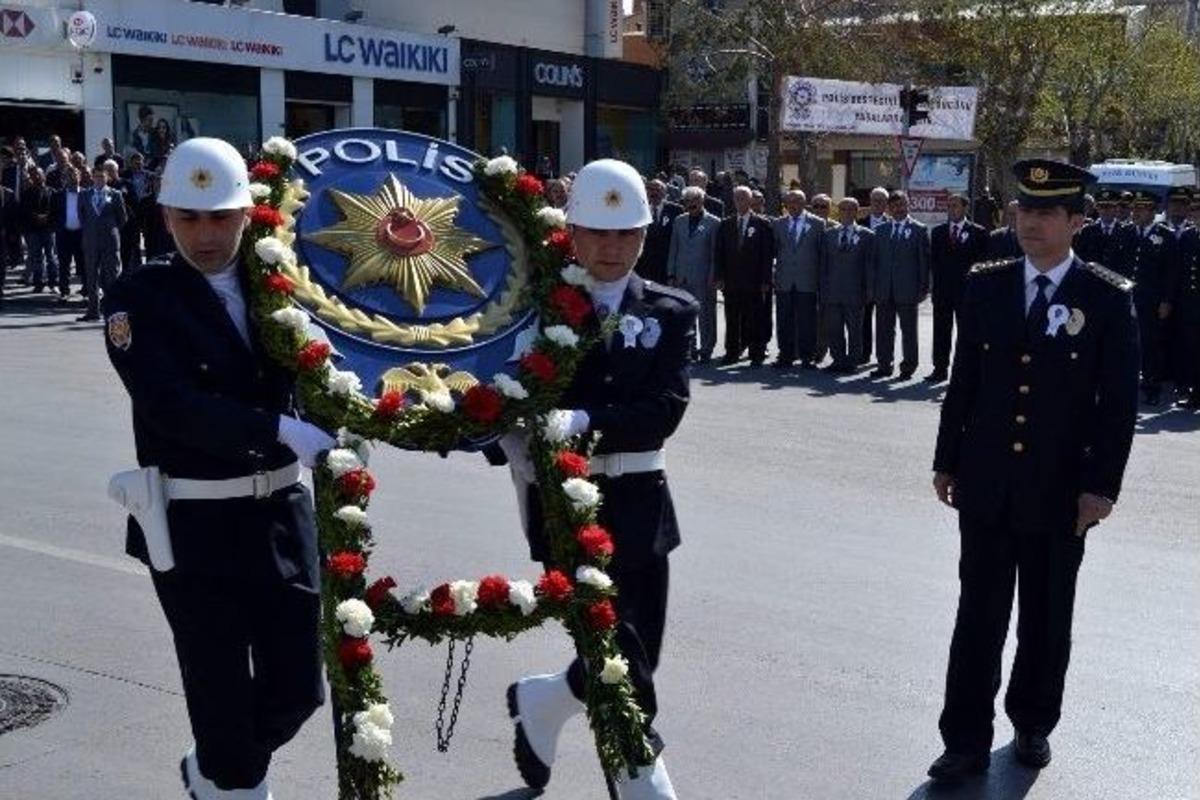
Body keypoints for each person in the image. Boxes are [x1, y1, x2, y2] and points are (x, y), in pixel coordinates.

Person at [103, 137, 334, 800]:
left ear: (246, 215)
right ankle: (229, 777)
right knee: (222, 695)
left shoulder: (284, 281)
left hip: (282, 516)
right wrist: (277, 429)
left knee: (298, 691)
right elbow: (172, 405)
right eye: (189, 218)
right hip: (196, 523)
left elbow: (335, 359)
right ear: (166, 216)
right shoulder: (139, 297)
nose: (205, 234)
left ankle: (214, 768)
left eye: (220, 217)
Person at [928, 159, 1139, 785]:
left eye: (1048, 212)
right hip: (987, 481)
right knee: (978, 616)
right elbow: (964, 378)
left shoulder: (1105, 296)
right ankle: (963, 738)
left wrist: (1101, 488)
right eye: (1025, 209)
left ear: (1076, 221)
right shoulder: (986, 284)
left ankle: (1033, 721)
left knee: (1047, 616)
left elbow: (1118, 405)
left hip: (1059, 491)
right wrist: (946, 460)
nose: (1032, 222)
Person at [498, 157, 694, 800]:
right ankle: (641, 777)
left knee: (640, 650)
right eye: (598, 234)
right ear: (572, 235)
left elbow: (663, 413)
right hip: (566, 507)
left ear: (645, 235)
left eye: (626, 235)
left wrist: (582, 417)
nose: (612, 249)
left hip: (643, 500)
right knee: (621, 663)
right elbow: (507, 396)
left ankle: (547, 701)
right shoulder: (536, 309)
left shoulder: (670, 311)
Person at [927, 194, 988, 383]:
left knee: (967, 333)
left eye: (956, 205)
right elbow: (934, 263)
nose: (952, 209)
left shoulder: (978, 232)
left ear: (965, 208)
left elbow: (983, 264)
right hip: (943, 292)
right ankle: (939, 369)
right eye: (949, 206)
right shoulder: (938, 232)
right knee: (941, 332)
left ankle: (964, 371)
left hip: (967, 293)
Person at [1126, 189, 1177, 405]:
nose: (1135, 212)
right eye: (1134, 207)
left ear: (1152, 210)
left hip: (1151, 300)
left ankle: (1151, 387)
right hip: (1125, 297)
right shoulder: (1126, 232)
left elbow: (1171, 272)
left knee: (1150, 344)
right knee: (1125, 343)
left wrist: (1166, 300)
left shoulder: (1165, 235)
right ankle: (1127, 384)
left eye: (1141, 208)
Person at [871, 190, 930, 379]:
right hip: (884, 289)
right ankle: (884, 365)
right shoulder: (880, 230)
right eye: (894, 205)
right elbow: (874, 262)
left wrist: (924, 287)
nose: (898, 208)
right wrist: (873, 287)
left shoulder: (919, 230)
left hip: (908, 289)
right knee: (883, 330)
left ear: (908, 205)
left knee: (909, 331)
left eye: (902, 204)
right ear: (889, 207)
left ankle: (908, 367)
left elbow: (924, 262)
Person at [715, 185, 774, 366]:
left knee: (753, 318)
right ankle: (732, 352)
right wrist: (719, 277)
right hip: (732, 281)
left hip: (754, 281)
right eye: (737, 198)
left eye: (743, 198)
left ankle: (756, 353)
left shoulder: (762, 224)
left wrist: (766, 280)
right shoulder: (725, 224)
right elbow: (719, 253)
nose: (740, 202)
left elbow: (767, 254)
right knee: (732, 318)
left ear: (750, 201)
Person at [771, 189, 825, 369]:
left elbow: (821, 254)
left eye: (797, 201)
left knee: (807, 320)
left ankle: (807, 356)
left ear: (804, 203)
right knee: (784, 319)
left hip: (807, 280)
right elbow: (775, 250)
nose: (793, 205)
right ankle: (785, 354)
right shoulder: (778, 224)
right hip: (784, 280)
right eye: (789, 202)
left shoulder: (818, 224)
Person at [666, 185, 720, 362]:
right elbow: (674, 248)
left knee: (705, 315)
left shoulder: (714, 222)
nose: (691, 204)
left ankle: (706, 349)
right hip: (682, 276)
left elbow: (714, 253)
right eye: (687, 201)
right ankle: (690, 348)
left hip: (704, 277)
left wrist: (713, 276)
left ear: (702, 200)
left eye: (694, 200)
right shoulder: (679, 221)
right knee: (686, 315)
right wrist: (671, 273)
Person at [820, 197, 874, 372]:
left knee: (855, 330)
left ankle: (853, 361)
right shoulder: (828, 235)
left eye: (851, 209)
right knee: (834, 329)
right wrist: (823, 287)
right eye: (843, 209)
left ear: (857, 212)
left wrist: (869, 290)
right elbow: (823, 264)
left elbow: (869, 266)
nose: (847, 213)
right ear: (838, 212)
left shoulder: (867, 235)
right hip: (833, 291)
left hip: (855, 291)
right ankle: (838, 360)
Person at [78, 164, 127, 322]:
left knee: (112, 275)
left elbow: (122, 218)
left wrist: (109, 229)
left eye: (102, 176)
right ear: (92, 177)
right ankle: (93, 310)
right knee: (92, 276)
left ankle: (113, 309)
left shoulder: (115, 194)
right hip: (91, 241)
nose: (99, 179)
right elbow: (82, 216)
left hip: (110, 241)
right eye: (96, 176)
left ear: (108, 177)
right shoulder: (84, 195)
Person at [861, 187, 892, 365]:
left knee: (884, 322)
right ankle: (864, 354)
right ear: (870, 202)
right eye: (875, 200)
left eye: (882, 200)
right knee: (863, 320)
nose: (878, 203)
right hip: (865, 280)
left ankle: (884, 358)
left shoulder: (892, 224)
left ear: (886, 204)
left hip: (886, 281)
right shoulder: (860, 223)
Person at [18, 166, 58, 294]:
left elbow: (56, 209)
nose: (36, 177)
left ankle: (53, 283)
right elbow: (23, 211)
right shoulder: (26, 193)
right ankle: (38, 283)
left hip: (48, 229)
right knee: (36, 257)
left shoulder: (52, 192)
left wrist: (47, 217)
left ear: (44, 176)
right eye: (34, 175)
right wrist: (35, 216)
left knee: (51, 257)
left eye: (39, 174)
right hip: (33, 229)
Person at [1073, 188, 1133, 273]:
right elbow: (1080, 258)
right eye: (1102, 207)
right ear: (1097, 208)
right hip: (1092, 280)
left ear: (1116, 208)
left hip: (1118, 281)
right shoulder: (1087, 231)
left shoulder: (1127, 232)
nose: (1105, 210)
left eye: (1109, 207)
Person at [635, 178, 683, 285]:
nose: (654, 192)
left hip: (665, 265)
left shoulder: (676, 210)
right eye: (651, 189)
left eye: (658, 189)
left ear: (665, 192)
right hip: (644, 265)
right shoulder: (640, 210)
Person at [51, 166, 85, 297]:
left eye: (75, 174)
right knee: (64, 264)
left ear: (80, 177)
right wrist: (57, 228)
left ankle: (86, 290)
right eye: (69, 175)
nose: (72, 178)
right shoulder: (58, 195)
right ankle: (64, 291)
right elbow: (53, 214)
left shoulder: (86, 193)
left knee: (83, 263)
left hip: (81, 234)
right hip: (64, 234)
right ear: (64, 179)